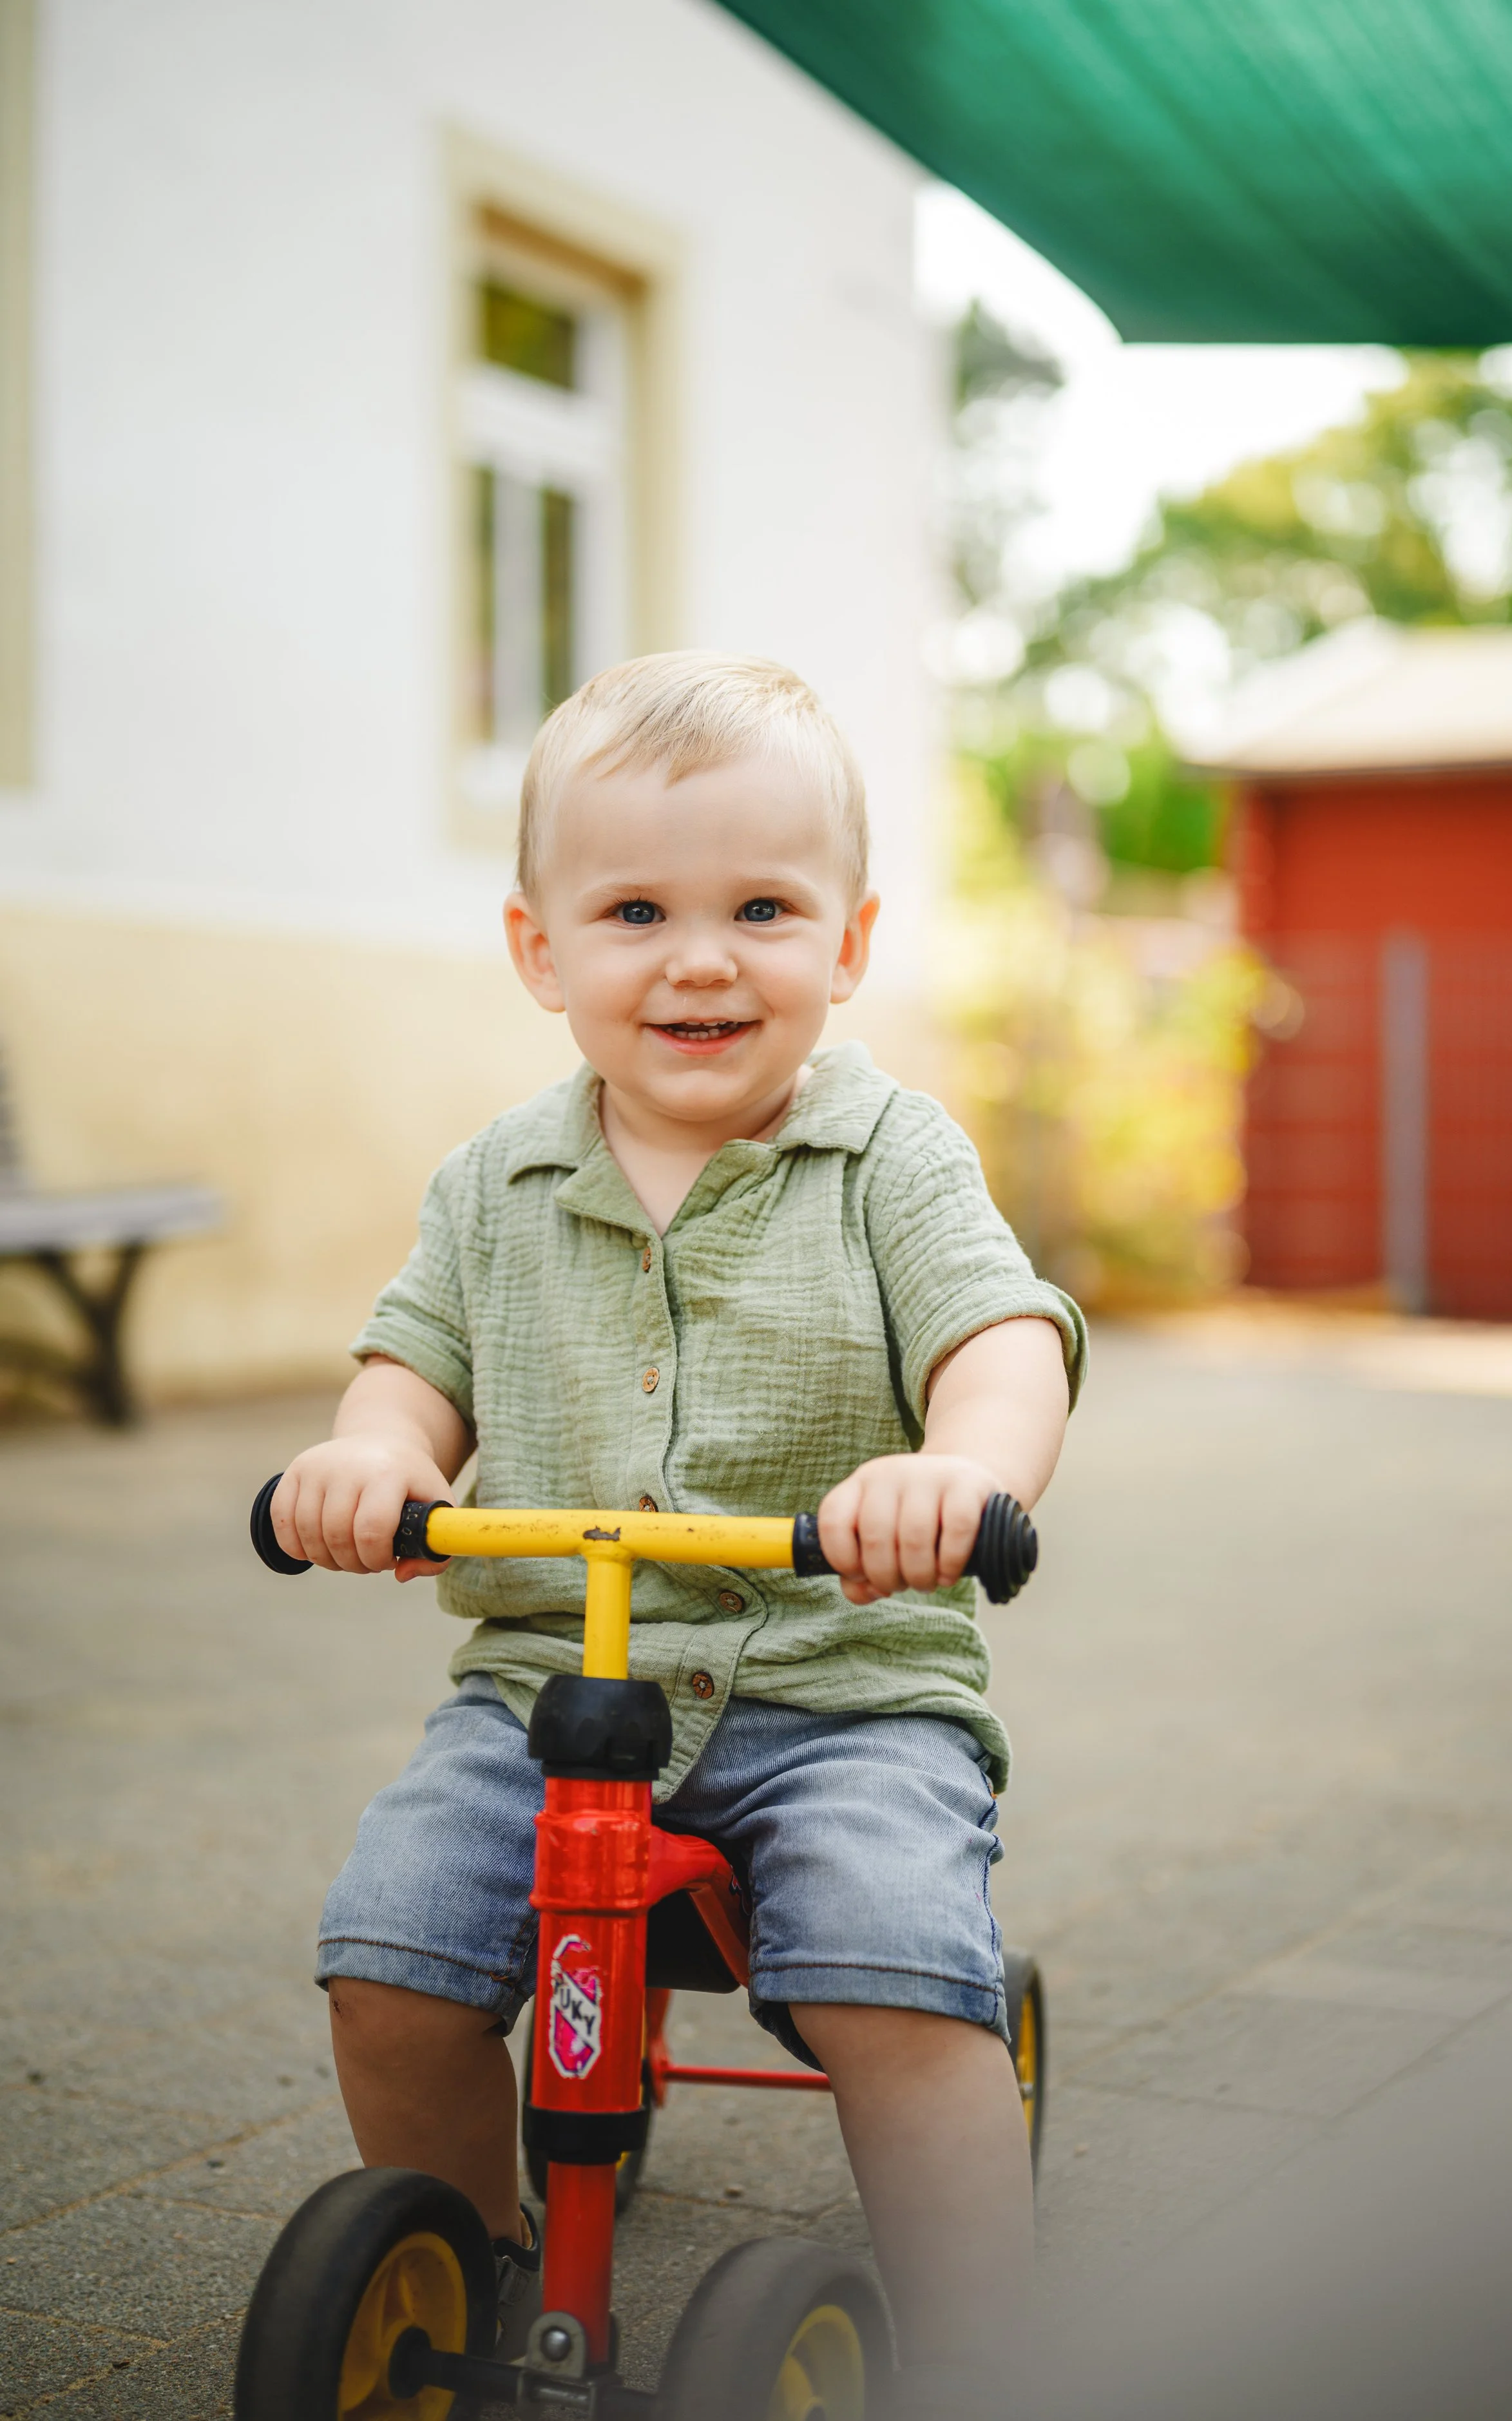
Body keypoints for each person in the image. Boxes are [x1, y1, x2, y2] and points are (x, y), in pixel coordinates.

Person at [269, 651, 1084, 2404]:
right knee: (389, 1951)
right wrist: (369, 1459)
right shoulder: (494, 1178)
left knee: (888, 1962)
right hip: (543, 1691)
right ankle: (464, 2262)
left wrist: (960, 1469)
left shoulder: (892, 1156)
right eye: (636, 907)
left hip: (842, 1685)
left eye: (763, 908)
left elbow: (1000, 1340)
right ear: (540, 950)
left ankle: (984, 2333)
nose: (702, 956)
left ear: (849, 943)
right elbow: (410, 1369)